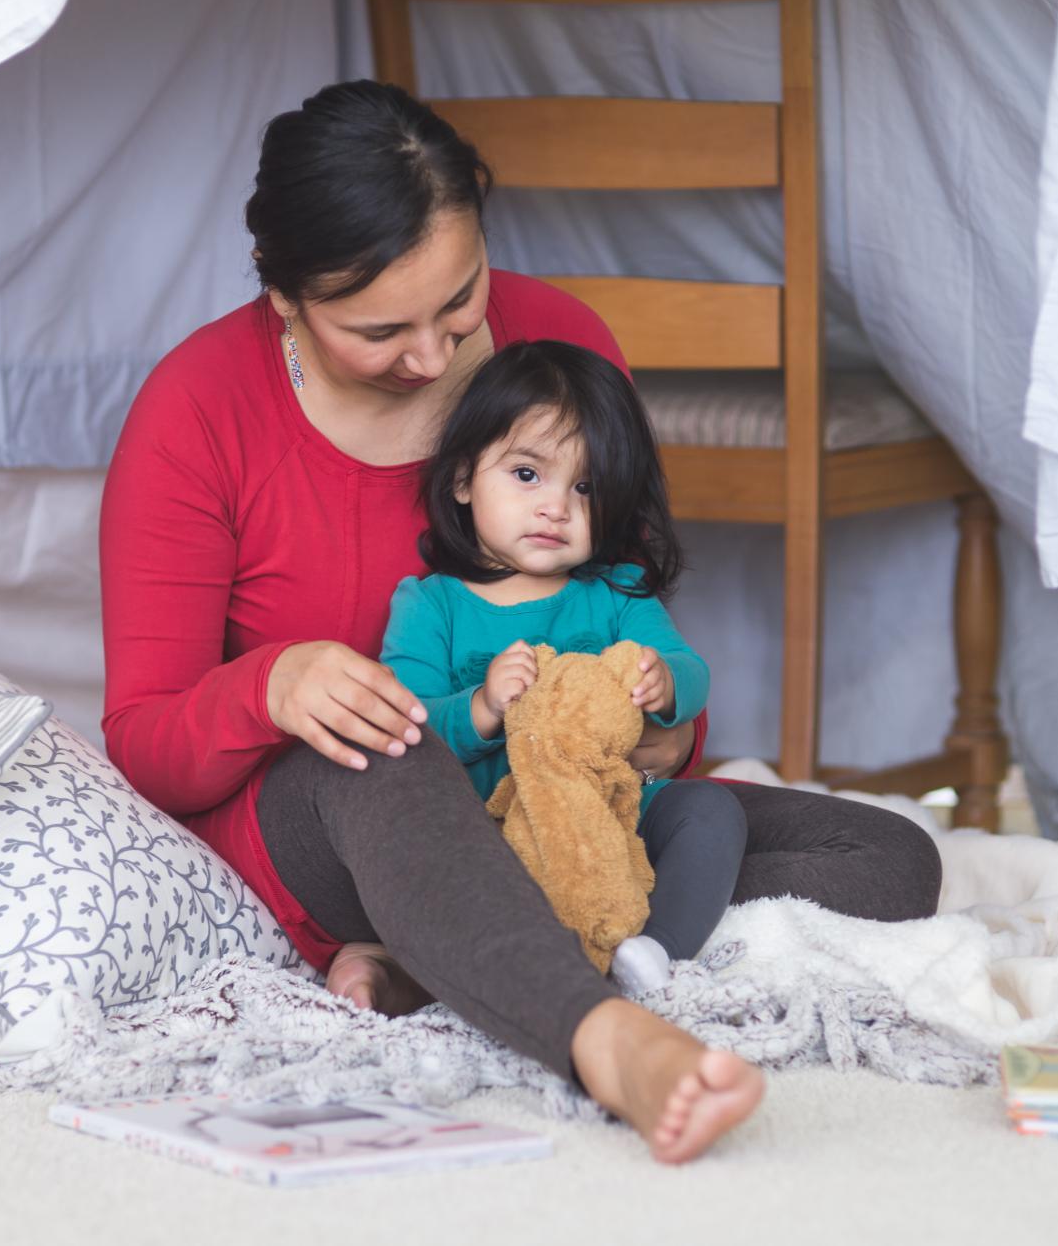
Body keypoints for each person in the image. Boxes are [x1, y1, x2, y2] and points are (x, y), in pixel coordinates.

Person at [100, 79, 942, 1163]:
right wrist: (271, 683)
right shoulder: (195, 411)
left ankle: (441, 958)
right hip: (342, 810)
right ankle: (600, 1033)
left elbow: (623, 605)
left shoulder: (558, 346)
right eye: (376, 329)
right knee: (386, 737)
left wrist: (658, 725)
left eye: (457, 302)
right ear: (281, 294)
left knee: (879, 857)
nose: (432, 357)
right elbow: (148, 744)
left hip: (551, 802)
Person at [379, 338, 743, 995]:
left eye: (586, 486)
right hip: (497, 832)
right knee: (433, 858)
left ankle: (652, 953)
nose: (557, 506)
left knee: (712, 812)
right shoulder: (432, 603)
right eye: (527, 474)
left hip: (616, 815)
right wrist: (483, 708)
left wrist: (665, 683)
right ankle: (534, 966)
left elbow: (693, 674)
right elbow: (408, 722)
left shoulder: (615, 590)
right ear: (463, 478)